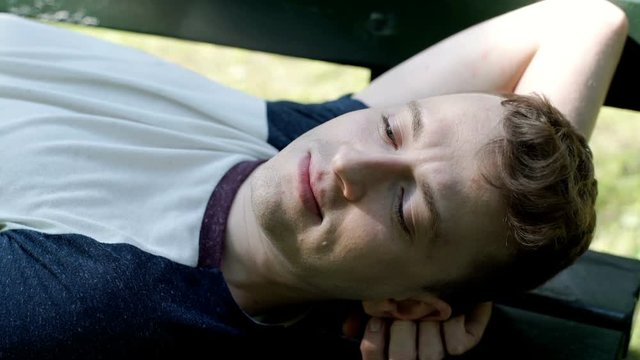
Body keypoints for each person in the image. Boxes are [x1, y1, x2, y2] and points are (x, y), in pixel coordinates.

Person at [0, 0, 628, 358]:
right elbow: (585, 21)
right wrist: (481, 262)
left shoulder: (88, 303)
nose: (350, 167)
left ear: (404, 305)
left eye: (407, 206)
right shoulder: (284, 139)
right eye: (393, 130)